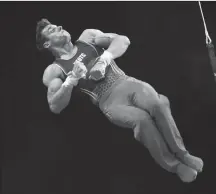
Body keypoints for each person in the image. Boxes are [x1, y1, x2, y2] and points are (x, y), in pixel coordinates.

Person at [36, 18, 203, 183]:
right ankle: (176, 166)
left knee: (156, 105)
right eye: (51, 30)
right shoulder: (53, 71)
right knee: (142, 120)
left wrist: (104, 59)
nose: (59, 26)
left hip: (126, 82)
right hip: (109, 102)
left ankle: (183, 154)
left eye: (57, 25)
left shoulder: (87, 37)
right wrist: (70, 80)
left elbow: (123, 40)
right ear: (46, 44)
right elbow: (55, 106)